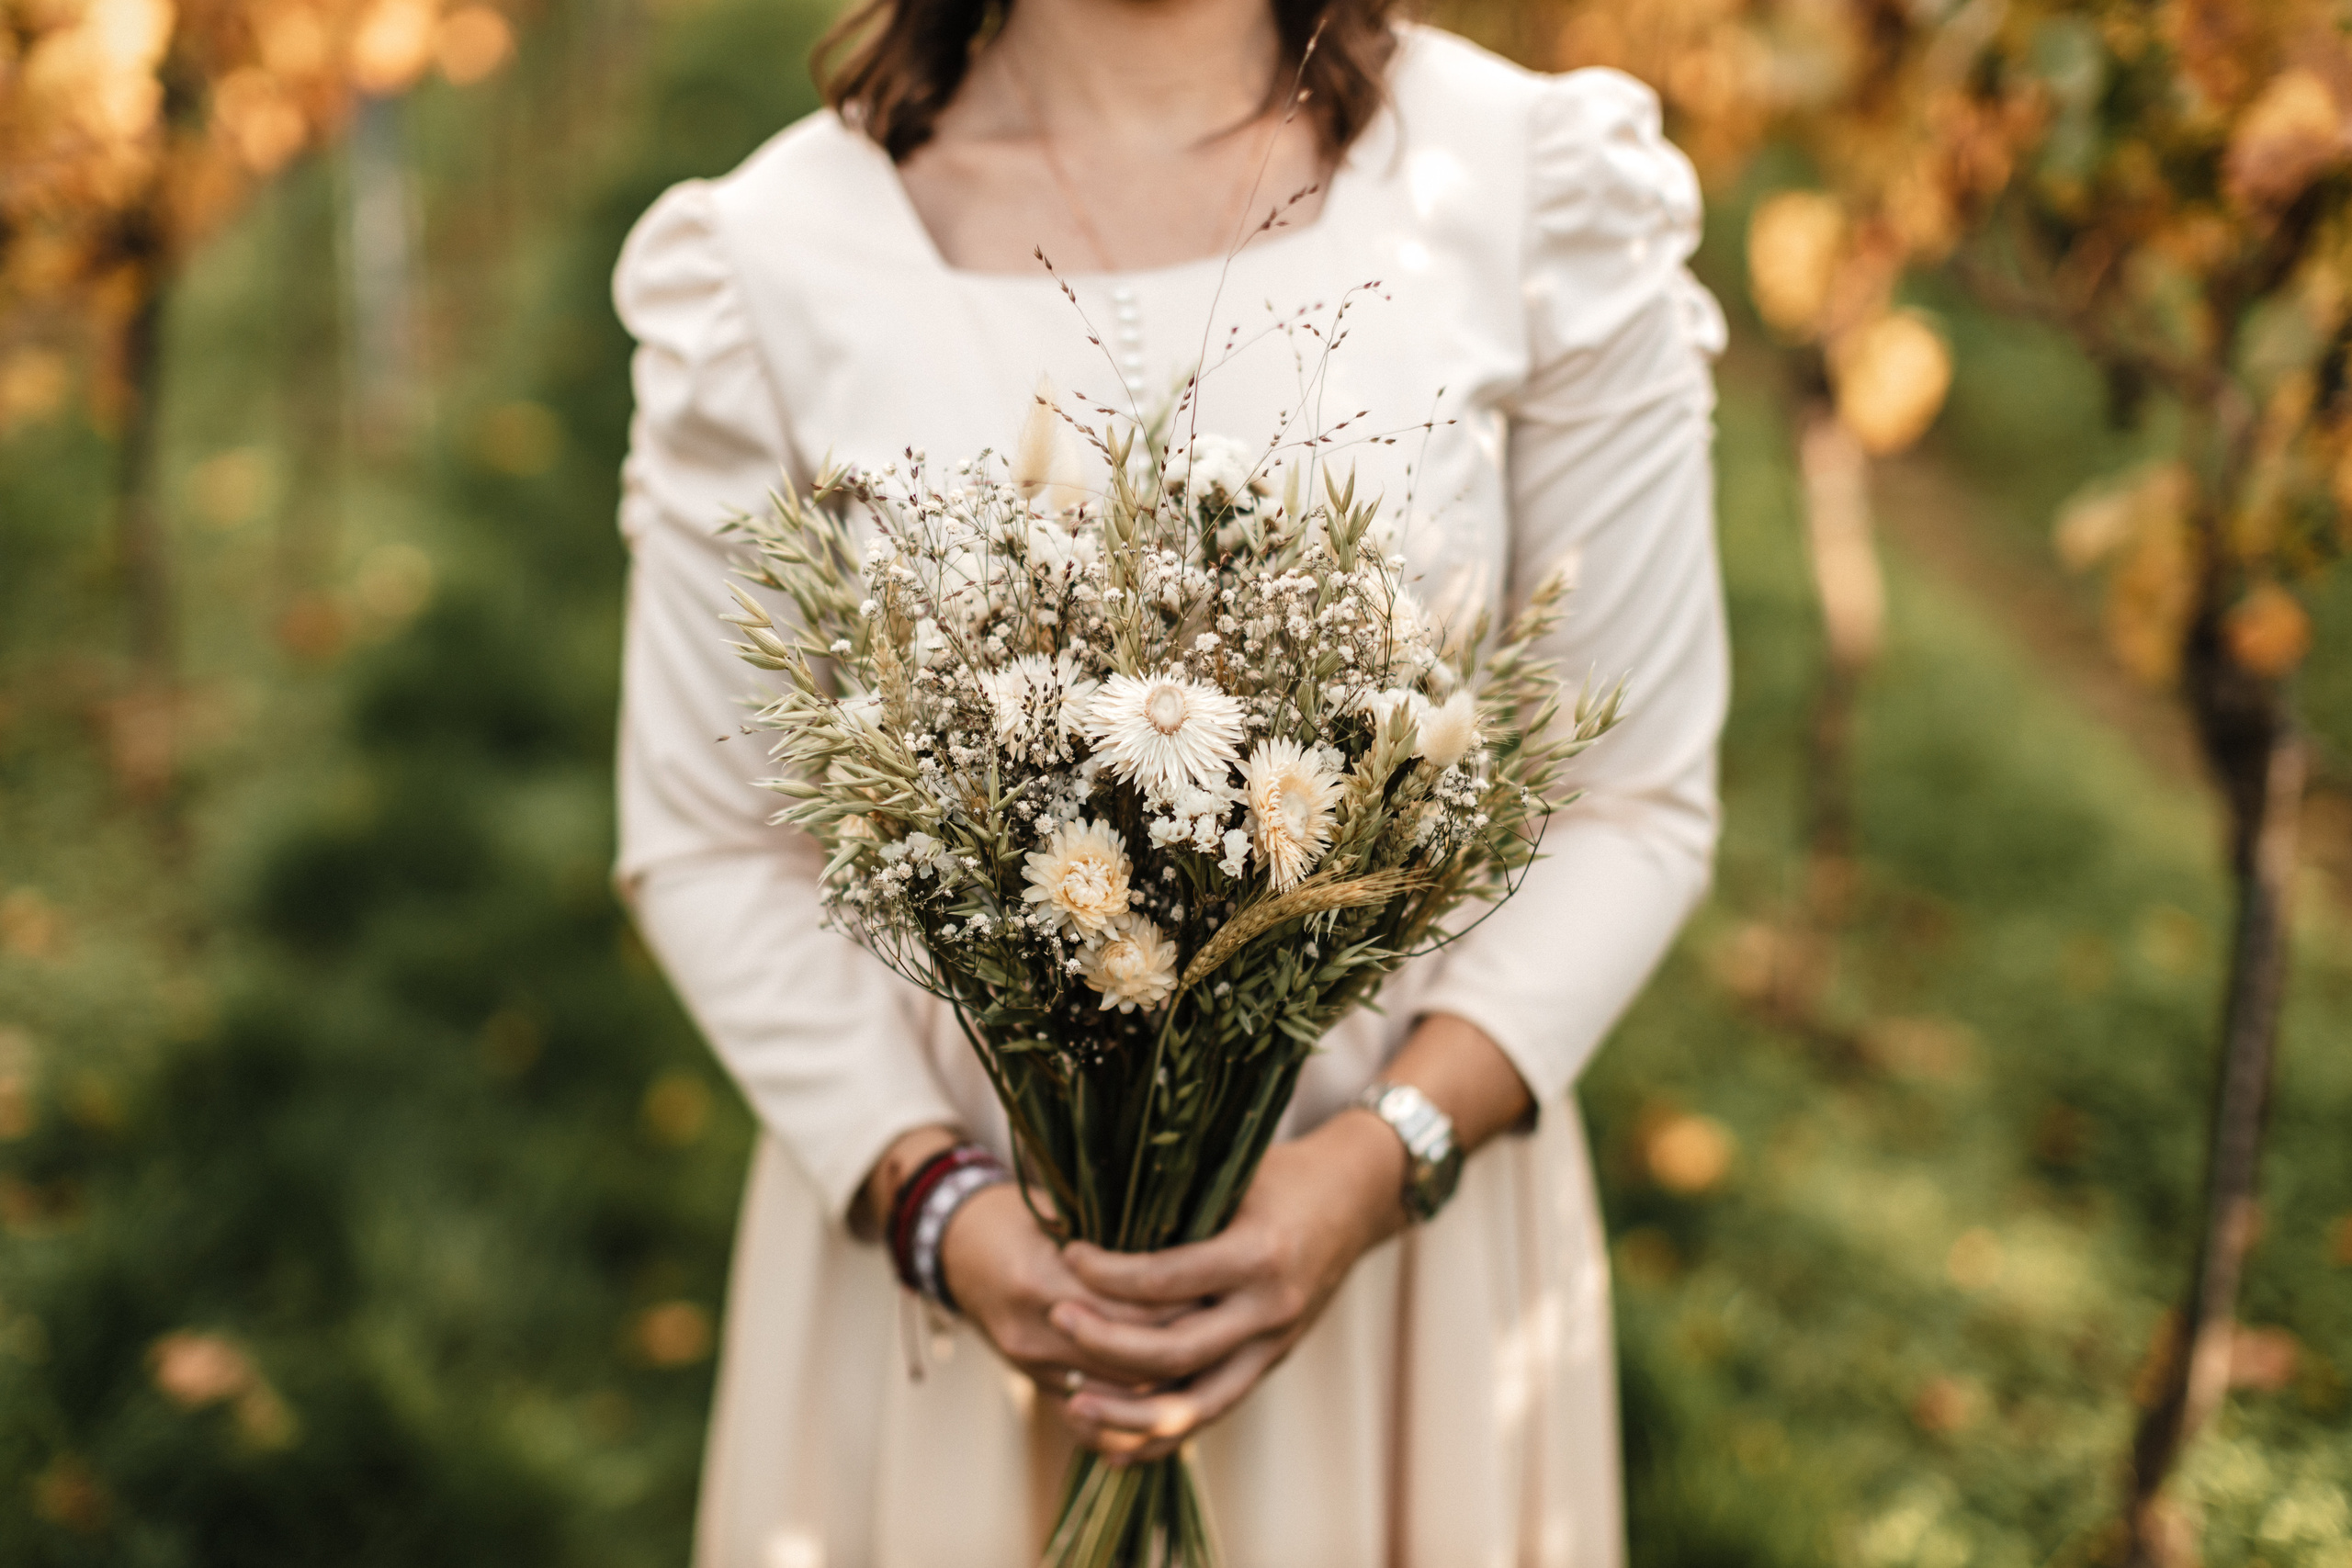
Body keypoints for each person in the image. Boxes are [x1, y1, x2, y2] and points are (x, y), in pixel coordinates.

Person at [611, 0, 1727, 1561]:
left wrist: (1379, 1157)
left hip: (1406, 1263)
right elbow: (713, 838)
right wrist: (946, 1212)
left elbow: (1634, 795)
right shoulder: (771, 261)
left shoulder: (1533, 187)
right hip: (954, 1261)